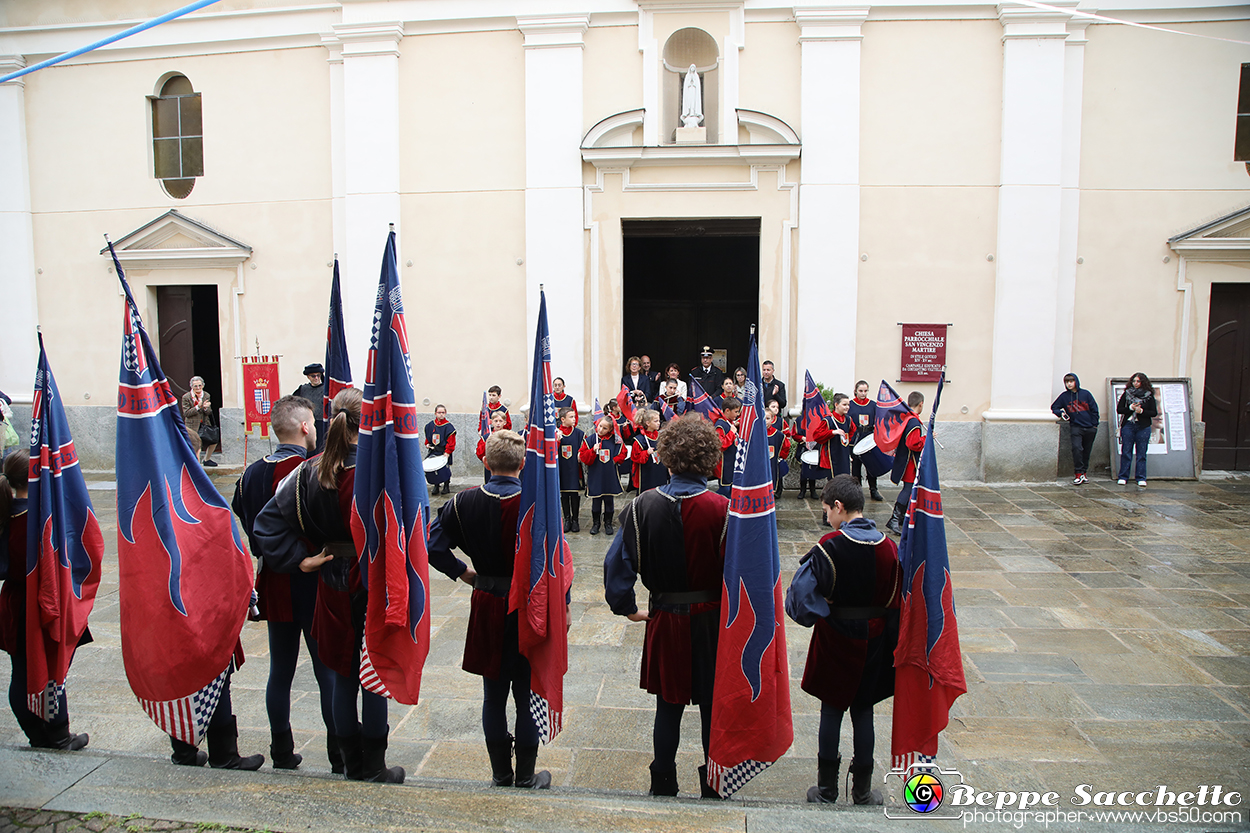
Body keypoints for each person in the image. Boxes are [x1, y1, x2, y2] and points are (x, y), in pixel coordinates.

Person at [253, 388, 404, 783]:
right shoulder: (381, 472)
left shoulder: (310, 470)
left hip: (334, 579)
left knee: (341, 671)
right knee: (373, 670)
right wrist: (298, 558)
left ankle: (351, 762)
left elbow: (266, 525)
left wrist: (300, 560)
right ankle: (372, 763)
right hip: (371, 580)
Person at [604, 414, 728, 798]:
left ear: (666, 456)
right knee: (712, 707)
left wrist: (626, 606)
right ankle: (713, 785)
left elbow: (616, 567)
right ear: (709, 459)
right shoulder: (724, 509)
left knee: (667, 707)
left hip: (665, 618)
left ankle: (663, 782)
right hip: (711, 622)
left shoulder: (641, 507)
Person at [426, 429, 553, 790]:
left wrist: (464, 573)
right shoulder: (537, 505)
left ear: (486, 462)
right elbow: (557, 562)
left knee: (493, 695)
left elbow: (433, 545)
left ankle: (501, 773)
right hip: (528, 606)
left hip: (486, 601)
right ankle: (526, 775)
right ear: (523, 464)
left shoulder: (461, 503)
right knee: (528, 693)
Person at [230, 395, 337, 772]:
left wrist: (272, 554)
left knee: (281, 670)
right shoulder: (313, 469)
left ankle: (281, 751)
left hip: (274, 579)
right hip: (310, 580)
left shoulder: (250, 474)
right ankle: (338, 755)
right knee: (327, 671)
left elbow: (246, 520)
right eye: (314, 424)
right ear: (306, 426)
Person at [785, 475, 900, 806]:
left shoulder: (829, 547)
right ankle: (863, 791)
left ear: (839, 507)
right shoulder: (889, 547)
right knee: (864, 711)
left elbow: (799, 600)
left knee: (832, 710)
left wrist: (824, 606)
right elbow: (897, 595)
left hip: (836, 637)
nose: (826, 517)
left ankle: (826, 790)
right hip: (875, 638)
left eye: (826, 510)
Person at [0, 449, 90, 752]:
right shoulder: (36, 518)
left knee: (22, 670)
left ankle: (40, 735)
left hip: (15, 601)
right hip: (36, 600)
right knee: (49, 668)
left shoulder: (7, 510)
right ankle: (56, 735)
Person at [580, 417, 629, 536]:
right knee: (596, 499)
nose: (600, 429)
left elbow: (623, 452)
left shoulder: (616, 441)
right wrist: (592, 450)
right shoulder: (591, 440)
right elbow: (583, 457)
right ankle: (596, 523)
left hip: (609, 475)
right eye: (600, 426)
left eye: (605, 428)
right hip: (596, 475)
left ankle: (608, 522)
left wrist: (615, 460)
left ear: (611, 429)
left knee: (609, 499)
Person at [886, 392, 926, 536]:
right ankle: (894, 519)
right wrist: (926, 439)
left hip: (905, 460)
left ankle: (903, 518)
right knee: (908, 489)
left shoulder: (907, 418)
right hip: (910, 463)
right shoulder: (913, 421)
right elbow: (913, 443)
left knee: (909, 489)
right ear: (921, 404)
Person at [1051, 373, 1099, 485]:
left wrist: (1094, 424)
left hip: (1090, 427)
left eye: (1071, 381)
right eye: (1067, 382)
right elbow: (1054, 407)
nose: (1069, 384)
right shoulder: (1064, 396)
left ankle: (1084, 473)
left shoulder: (1086, 394)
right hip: (1076, 427)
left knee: (1087, 451)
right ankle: (1078, 473)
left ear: (1076, 382)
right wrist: (1061, 413)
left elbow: (1094, 409)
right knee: (1077, 449)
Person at [1116, 372, 1156, 487]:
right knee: (1126, 452)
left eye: (1138, 381)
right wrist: (1130, 408)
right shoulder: (1127, 393)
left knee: (1141, 453)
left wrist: (1142, 411)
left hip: (1143, 426)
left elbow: (1153, 412)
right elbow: (1120, 409)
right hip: (1128, 425)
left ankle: (1141, 477)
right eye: (1134, 381)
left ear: (1143, 382)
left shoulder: (1148, 395)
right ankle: (1123, 476)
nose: (1136, 383)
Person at [848, 382, 884, 502]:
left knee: (871, 466)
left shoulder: (873, 405)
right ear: (856, 391)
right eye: (861, 391)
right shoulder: (850, 405)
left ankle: (873, 489)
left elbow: (879, 422)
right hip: (855, 439)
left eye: (865, 391)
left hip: (869, 439)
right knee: (856, 468)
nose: (863, 394)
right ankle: (856, 491)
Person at [557, 407, 585, 533]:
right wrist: (556, 440)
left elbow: (583, 447)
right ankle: (566, 518)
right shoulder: (556, 433)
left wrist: (581, 453)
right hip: (562, 469)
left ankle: (575, 519)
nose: (574, 419)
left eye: (574, 416)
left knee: (574, 493)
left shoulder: (579, 433)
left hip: (574, 469)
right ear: (563, 419)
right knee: (564, 494)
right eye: (571, 417)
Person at [181, 375, 217, 467]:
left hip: (204, 423)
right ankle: (194, 462)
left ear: (203, 385)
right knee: (195, 443)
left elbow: (209, 412)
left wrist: (206, 408)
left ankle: (207, 459)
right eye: (195, 386)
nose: (198, 388)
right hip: (192, 425)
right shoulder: (186, 397)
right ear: (191, 387)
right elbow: (186, 413)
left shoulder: (206, 395)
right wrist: (198, 407)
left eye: (199, 386)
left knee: (213, 440)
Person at [630, 409, 669, 492]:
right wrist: (646, 453)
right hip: (647, 474)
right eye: (656, 421)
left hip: (660, 472)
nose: (658, 423)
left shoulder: (661, 437)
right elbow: (635, 457)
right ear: (648, 423)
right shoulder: (639, 440)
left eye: (659, 420)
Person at [424, 404, 457, 496]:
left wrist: (447, 452)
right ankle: (436, 485)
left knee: (444, 469)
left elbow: (451, 442)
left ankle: (446, 486)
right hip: (434, 451)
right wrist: (427, 444)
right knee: (433, 469)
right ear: (435, 413)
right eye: (439, 412)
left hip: (444, 451)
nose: (441, 414)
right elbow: (428, 436)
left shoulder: (449, 427)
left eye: (443, 412)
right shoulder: (430, 425)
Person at [713, 397, 741, 497]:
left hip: (731, 462)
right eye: (736, 412)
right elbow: (721, 445)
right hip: (724, 464)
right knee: (725, 489)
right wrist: (732, 433)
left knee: (731, 489)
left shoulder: (729, 422)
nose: (738, 414)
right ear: (727, 410)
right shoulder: (720, 425)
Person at [766, 400, 791, 495]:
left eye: (768, 418)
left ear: (772, 420)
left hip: (774, 462)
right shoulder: (757, 434)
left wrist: (780, 456)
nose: (765, 420)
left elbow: (786, 446)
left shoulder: (779, 435)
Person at [476, 410, 509, 483]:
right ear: (491, 422)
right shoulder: (486, 437)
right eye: (496, 421)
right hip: (491, 467)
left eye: (500, 421)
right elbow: (479, 453)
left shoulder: (509, 436)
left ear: (504, 422)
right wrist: (487, 443)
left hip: (505, 466)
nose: (498, 423)